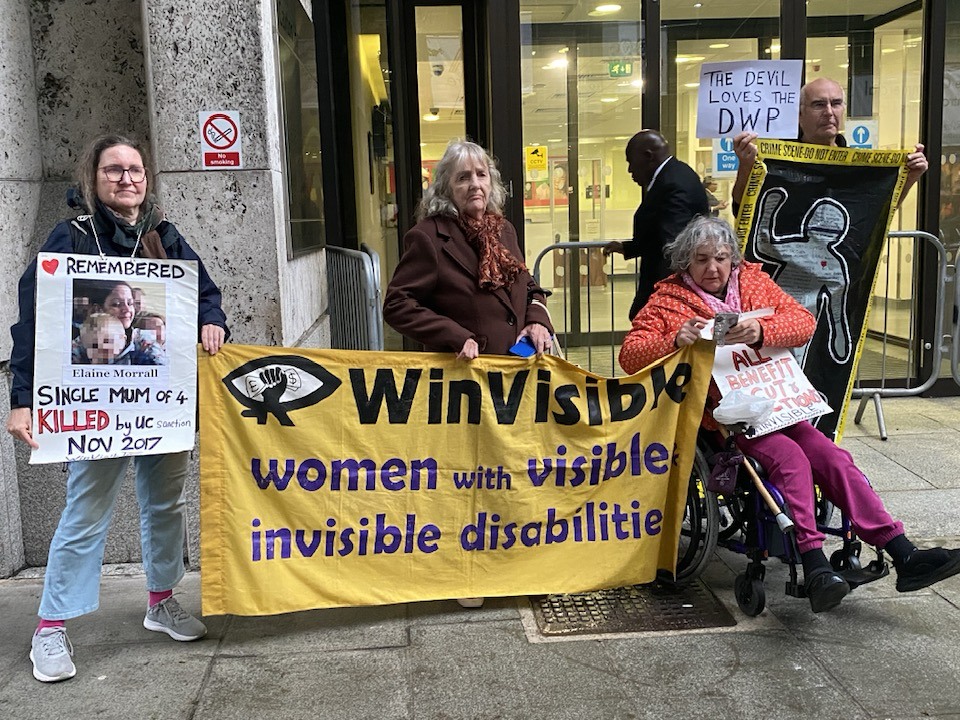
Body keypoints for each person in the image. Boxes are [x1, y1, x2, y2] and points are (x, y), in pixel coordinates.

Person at [619, 215, 960, 614]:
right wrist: (674, 339)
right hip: (726, 418)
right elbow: (630, 355)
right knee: (791, 459)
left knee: (833, 458)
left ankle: (903, 552)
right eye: (702, 259)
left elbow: (803, 322)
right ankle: (813, 562)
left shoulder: (753, 283)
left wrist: (763, 331)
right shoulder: (668, 301)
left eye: (722, 258)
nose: (713, 268)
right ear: (685, 263)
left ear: (733, 259)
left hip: (779, 404)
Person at [6, 133, 229, 683]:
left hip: (160, 406)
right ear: (94, 178)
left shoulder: (163, 236)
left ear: (147, 179)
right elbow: (35, 321)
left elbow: (203, 292)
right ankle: (51, 626)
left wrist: (212, 320)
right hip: (96, 411)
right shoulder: (72, 237)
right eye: (114, 170)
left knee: (166, 504)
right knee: (86, 511)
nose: (127, 179)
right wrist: (22, 400)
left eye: (135, 170)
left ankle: (161, 600)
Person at [383, 140, 553, 608]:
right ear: (446, 188)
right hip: (464, 383)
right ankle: (468, 574)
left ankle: (515, 564)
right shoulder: (428, 237)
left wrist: (537, 320)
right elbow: (397, 304)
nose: (475, 184)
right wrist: (454, 334)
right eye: (463, 177)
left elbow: (529, 286)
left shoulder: (505, 230)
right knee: (469, 482)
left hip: (514, 378)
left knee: (512, 473)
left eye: (481, 175)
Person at [731, 77, 929, 209]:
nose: (829, 112)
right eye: (819, 104)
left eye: (836, 103)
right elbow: (742, 206)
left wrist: (910, 178)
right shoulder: (775, 163)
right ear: (800, 114)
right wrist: (746, 166)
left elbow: (879, 211)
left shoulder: (858, 166)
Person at [602, 130, 709, 320]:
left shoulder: (673, 184)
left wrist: (662, 298)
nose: (630, 170)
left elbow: (673, 246)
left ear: (648, 156)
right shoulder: (677, 174)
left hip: (668, 291)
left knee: (645, 327)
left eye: (630, 162)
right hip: (668, 288)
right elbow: (659, 233)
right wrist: (628, 248)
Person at [71, 280, 165, 365]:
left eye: (130, 303)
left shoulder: (143, 340)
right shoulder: (83, 340)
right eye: (116, 304)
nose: (127, 309)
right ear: (98, 309)